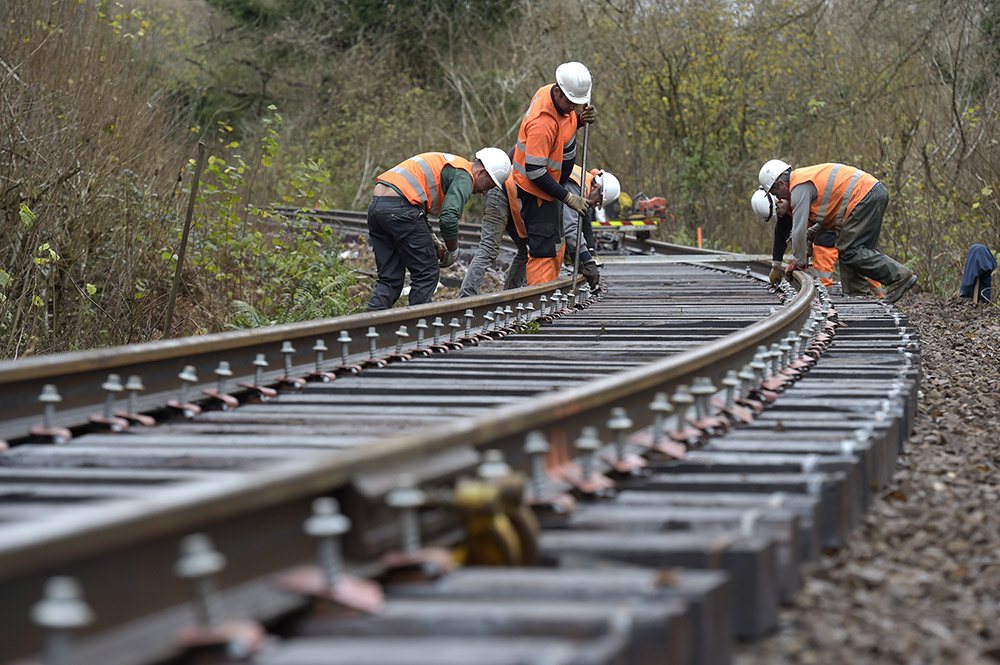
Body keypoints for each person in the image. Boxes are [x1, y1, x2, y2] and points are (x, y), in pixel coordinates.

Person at [367, 148, 511, 310]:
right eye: (489, 186)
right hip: (401, 209)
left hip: (377, 207)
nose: (485, 192)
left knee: (389, 276)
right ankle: (418, 326)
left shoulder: (452, 164)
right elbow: (449, 218)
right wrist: (453, 250)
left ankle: (371, 324)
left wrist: (431, 238)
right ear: (481, 173)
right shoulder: (464, 175)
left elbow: (415, 203)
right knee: (427, 272)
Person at [757, 160, 917, 304]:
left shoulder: (799, 187)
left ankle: (900, 277)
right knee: (852, 254)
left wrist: (798, 264)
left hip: (864, 196)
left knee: (850, 251)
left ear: (781, 184)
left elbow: (798, 229)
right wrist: (811, 234)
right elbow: (828, 219)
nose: (776, 197)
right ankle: (858, 299)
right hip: (869, 195)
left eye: (774, 192)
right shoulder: (803, 181)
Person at [512, 62, 598, 285]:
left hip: (550, 188)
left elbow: (563, 129)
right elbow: (535, 171)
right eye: (571, 103)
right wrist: (568, 197)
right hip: (537, 192)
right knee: (544, 250)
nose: (573, 108)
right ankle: (538, 304)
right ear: (558, 92)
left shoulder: (557, 97)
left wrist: (579, 121)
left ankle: (545, 296)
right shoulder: (542, 122)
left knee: (555, 245)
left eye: (577, 104)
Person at [751, 187, 884, 295]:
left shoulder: (801, 196)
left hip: (835, 223)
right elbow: (780, 235)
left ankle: (826, 295)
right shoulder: (784, 211)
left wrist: (806, 247)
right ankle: (829, 295)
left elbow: (822, 221)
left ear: (780, 200)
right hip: (828, 226)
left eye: (778, 211)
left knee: (830, 256)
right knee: (855, 259)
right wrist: (776, 265)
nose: (779, 215)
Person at [459, 152, 530, 297]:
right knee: (489, 247)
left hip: (508, 192)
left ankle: (510, 296)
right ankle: (466, 297)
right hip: (499, 191)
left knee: (526, 249)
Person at [562, 166, 621, 292]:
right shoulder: (576, 186)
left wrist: (578, 256)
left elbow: (579, 223)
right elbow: (570, 228)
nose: (594, 206)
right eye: (597, 201)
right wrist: (587, 260)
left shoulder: (584, 183)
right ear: (597, 188)